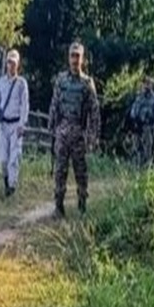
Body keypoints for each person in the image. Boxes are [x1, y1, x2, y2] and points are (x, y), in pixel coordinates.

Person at [48, 41, 101, 217]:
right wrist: (52, 128)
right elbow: (54, 104)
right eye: (72, 55)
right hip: (62, 132)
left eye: (78, 56)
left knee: (81, 173)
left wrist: (93, 136)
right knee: (60, 171)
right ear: (68, 58)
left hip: (79, 133)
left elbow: (94, 112)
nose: (74, 59)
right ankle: (58, 207)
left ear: (82, 59)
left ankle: (82, 205)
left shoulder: (87, 83)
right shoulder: (61, 80)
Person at [0, 49, 29, 197]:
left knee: (14, 157)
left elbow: (24, 104)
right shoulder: (1, 82)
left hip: (15, 124)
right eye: (9, 62)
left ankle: (12, 187)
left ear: (17, 64)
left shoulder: (21, 83)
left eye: (13, 63)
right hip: (3, 124)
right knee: (3, 158)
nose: (11, 65)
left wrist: (22, 124)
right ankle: (6, 180)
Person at [129, 76, 154, 169]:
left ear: (151, 85)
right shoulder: (139, 98)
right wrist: (134, 121)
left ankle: (146, 169)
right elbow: (133, 111)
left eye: (148, 84)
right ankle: (136, 169)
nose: (146, 86)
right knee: (136, 149)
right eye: (145, 84)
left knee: (147, 151)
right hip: (138, 127)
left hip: (148, 128)